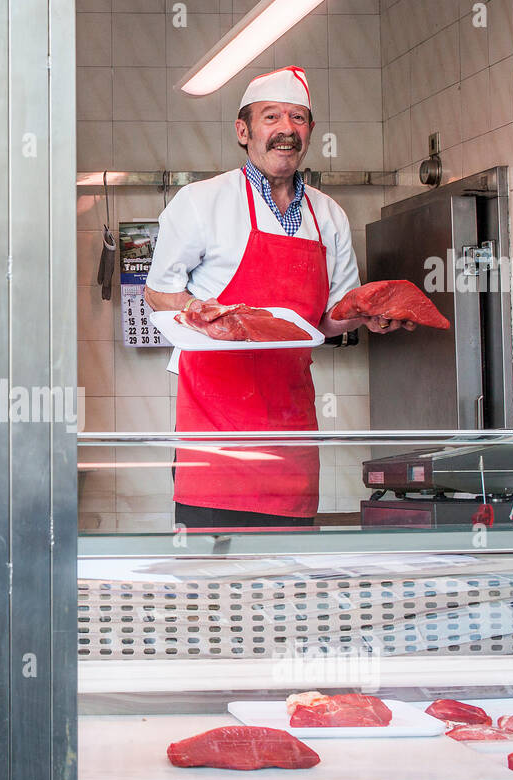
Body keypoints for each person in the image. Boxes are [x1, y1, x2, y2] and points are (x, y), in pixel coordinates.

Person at [144, 66, 413, 530]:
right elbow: (158, 291)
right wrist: (199, 311)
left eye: (298, 118)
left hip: (290, 424)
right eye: (271, 117)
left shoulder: (328, 214)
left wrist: (366, 316)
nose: (286, 129)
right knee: (216, 585)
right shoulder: (202, 201)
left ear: (309, 131)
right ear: (243, 131)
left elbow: (329, 318)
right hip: (215, 428)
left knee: (286, 582)